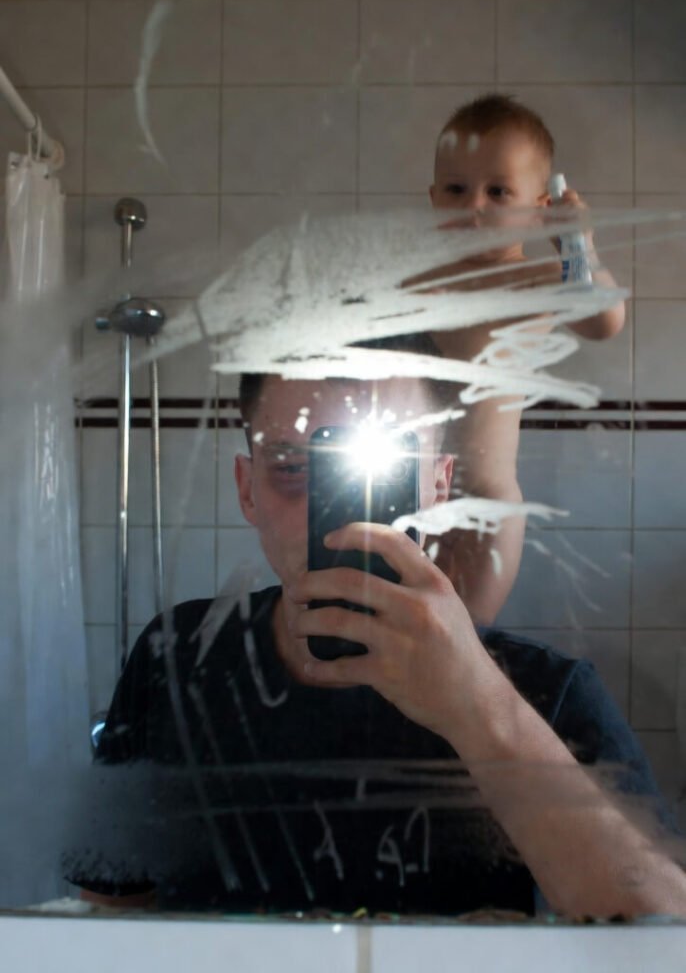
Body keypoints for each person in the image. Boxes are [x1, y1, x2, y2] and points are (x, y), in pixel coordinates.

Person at [69, 361, 686, 920]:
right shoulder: (175, 658)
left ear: (437, 487)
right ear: (246, 487)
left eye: (381, 472)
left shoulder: (541, 692)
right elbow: (110, 907)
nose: (333, 509)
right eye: (290, 469)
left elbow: (665, 930)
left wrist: (478, 707)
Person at [414, 93, 626, 626]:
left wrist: (578, 244)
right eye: (457, 189)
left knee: (460, 645)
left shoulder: (536, 280)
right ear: (435, 197)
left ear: (538, 207)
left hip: (486, 502)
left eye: (498, 190)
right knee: (402, 638)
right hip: (408, 493)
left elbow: (603, 321)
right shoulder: (413, 286)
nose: (475, 206)